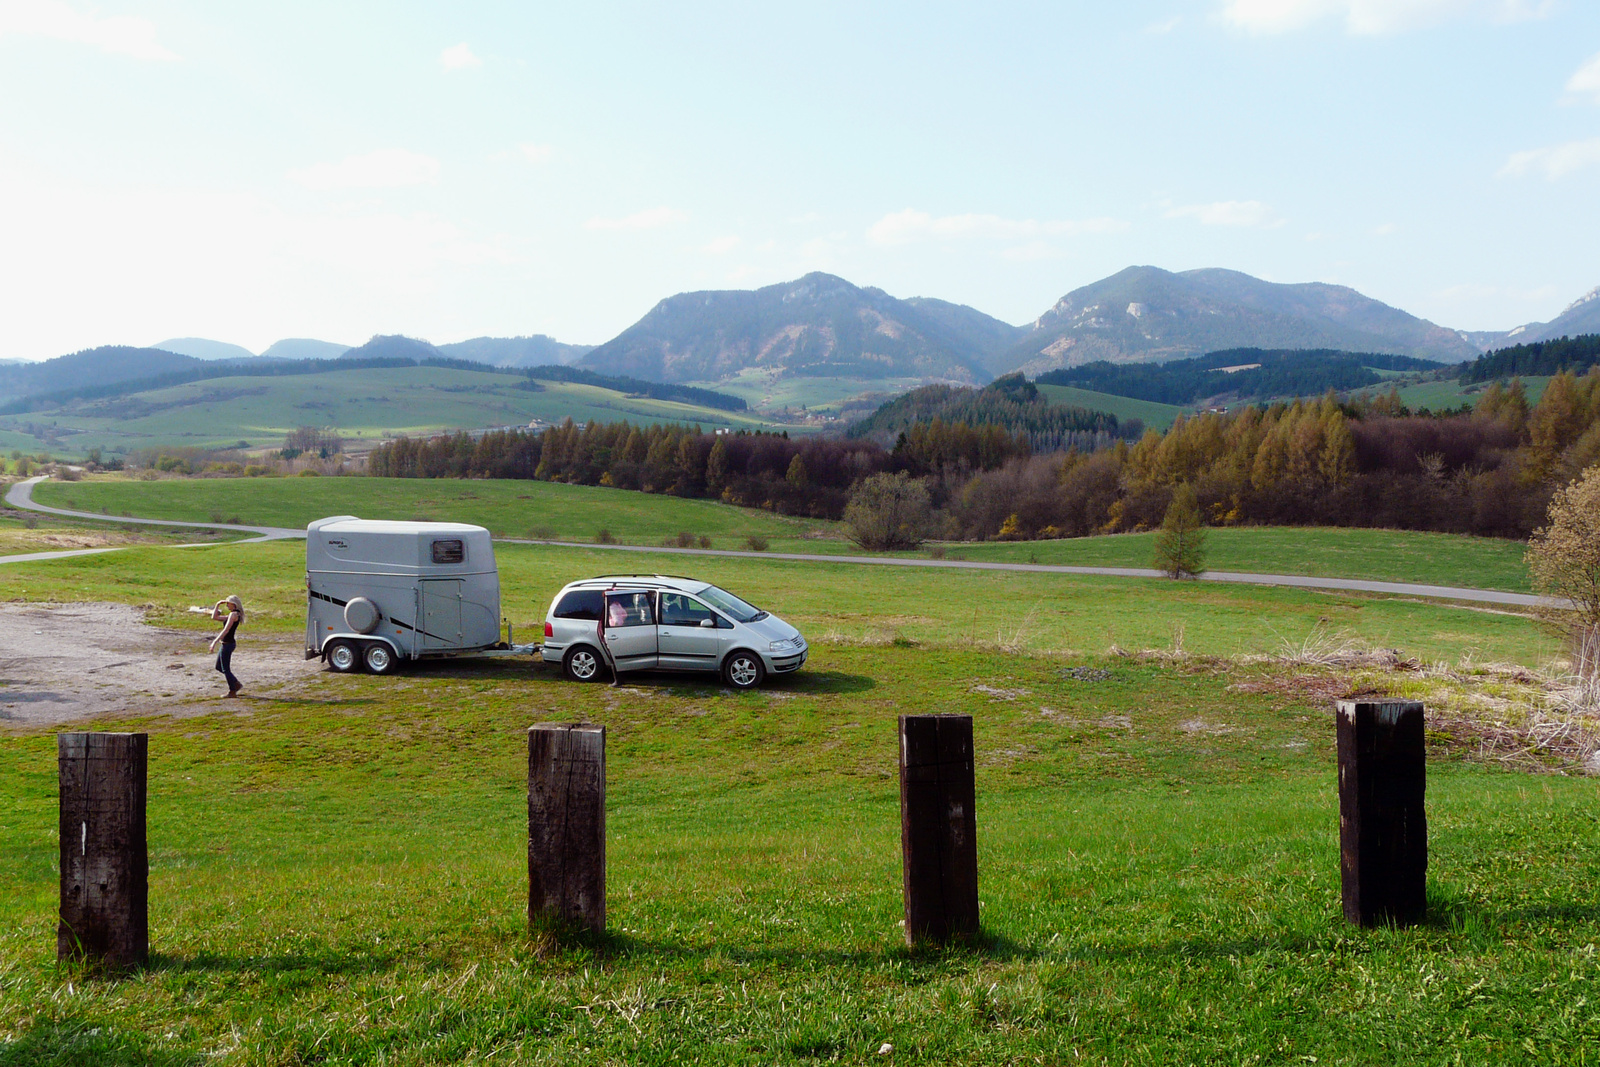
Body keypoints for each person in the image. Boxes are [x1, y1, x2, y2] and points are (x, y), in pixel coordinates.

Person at [209, 595, 244, 697]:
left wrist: (214, 642)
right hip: (226, 644)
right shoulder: (232, 615)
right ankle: (236, 684)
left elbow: (226, 630)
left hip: (228, 645)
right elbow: (214, 617)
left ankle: (232, 691)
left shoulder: (234, 615)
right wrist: (217, 605)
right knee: (219, 667)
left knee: (225, 669)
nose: (227, 606)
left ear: (233, 604)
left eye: (228, 604)